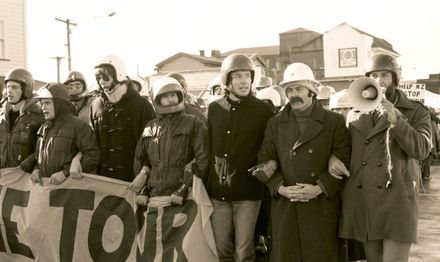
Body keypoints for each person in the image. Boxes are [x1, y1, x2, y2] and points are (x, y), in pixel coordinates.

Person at [339, 54, 432, 262]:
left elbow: (423, 149)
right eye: (373, 75)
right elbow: (346, 152)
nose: (379, 81)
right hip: (365, 200)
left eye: (384, 75)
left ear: (395, 78)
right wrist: (334, 160)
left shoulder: (416, 111)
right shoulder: (355, 114)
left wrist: (397, 121)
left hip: (397, 201)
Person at [255, 62, 351, 261]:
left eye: (298, 89)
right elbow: (265, 159)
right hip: (286, 206)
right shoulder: (275, 123)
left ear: (311, 90)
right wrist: (279, 188)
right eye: (289, 90)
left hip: (321, 206)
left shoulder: (334, 121)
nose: (293, 94)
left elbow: (344, 159)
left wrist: (319, 188)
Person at [206, 54, 274, 262]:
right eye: (238, 76)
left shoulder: (263, 110)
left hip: (248, 192)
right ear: (227, 80)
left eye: (247, 75)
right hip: (219, 192)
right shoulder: (214, 108)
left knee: (244, 251)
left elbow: (269, 148)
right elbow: (209, 147)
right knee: (221, 249)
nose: (244, 80)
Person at [129, 76, 208, 208]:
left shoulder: (194, 123)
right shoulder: (150, 126)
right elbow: (141, 159)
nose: (171, 100)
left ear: (180, 96)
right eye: (165, 97)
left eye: (173, 95)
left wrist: (184, 188)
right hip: (154, 197)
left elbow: (202, 158)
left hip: (184, 198)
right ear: (157, 100)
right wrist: (144, 188)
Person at [89, 55, 155, 182]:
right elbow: (91, 144)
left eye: (105, 77)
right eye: (98, 78)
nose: (101, 82)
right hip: (103, 181)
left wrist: (144, 173)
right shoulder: (95, 106)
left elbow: (152, 146)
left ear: (118, 74)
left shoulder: (142, 106)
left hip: (134, 180)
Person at [20, 83, 100, 185]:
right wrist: (36, 169)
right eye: (41, 103)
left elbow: (93, 155)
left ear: (59, 103)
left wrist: (65, 173)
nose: (43, 107)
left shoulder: (79, 127)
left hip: (69, 192)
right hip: (48, 192)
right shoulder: (44, 127)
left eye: (47, 103)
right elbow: (39, 156)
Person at [0, 68, 45, 168]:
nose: (9, 91)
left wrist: (30, 165)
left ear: (26, 90)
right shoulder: (1, 115)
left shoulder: (39, 115)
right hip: (2, 175)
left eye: (14, 87)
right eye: (8, 87)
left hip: (24, 175)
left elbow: (43, 148)